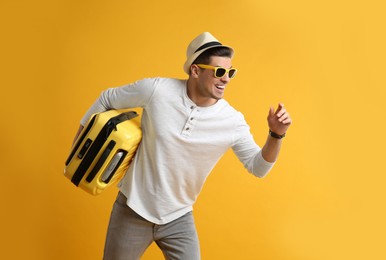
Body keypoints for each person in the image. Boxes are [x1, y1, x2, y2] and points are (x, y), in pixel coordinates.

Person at [73, 32, 292, 259]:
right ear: (195, 71)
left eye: (230, 72)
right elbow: (107, 98)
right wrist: (79, 149)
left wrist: (276, 135)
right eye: (219, 71)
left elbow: (259, 168)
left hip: (178, 217)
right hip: (132, 208)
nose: (226, 79)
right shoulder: (157, 91)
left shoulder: (232, 121)